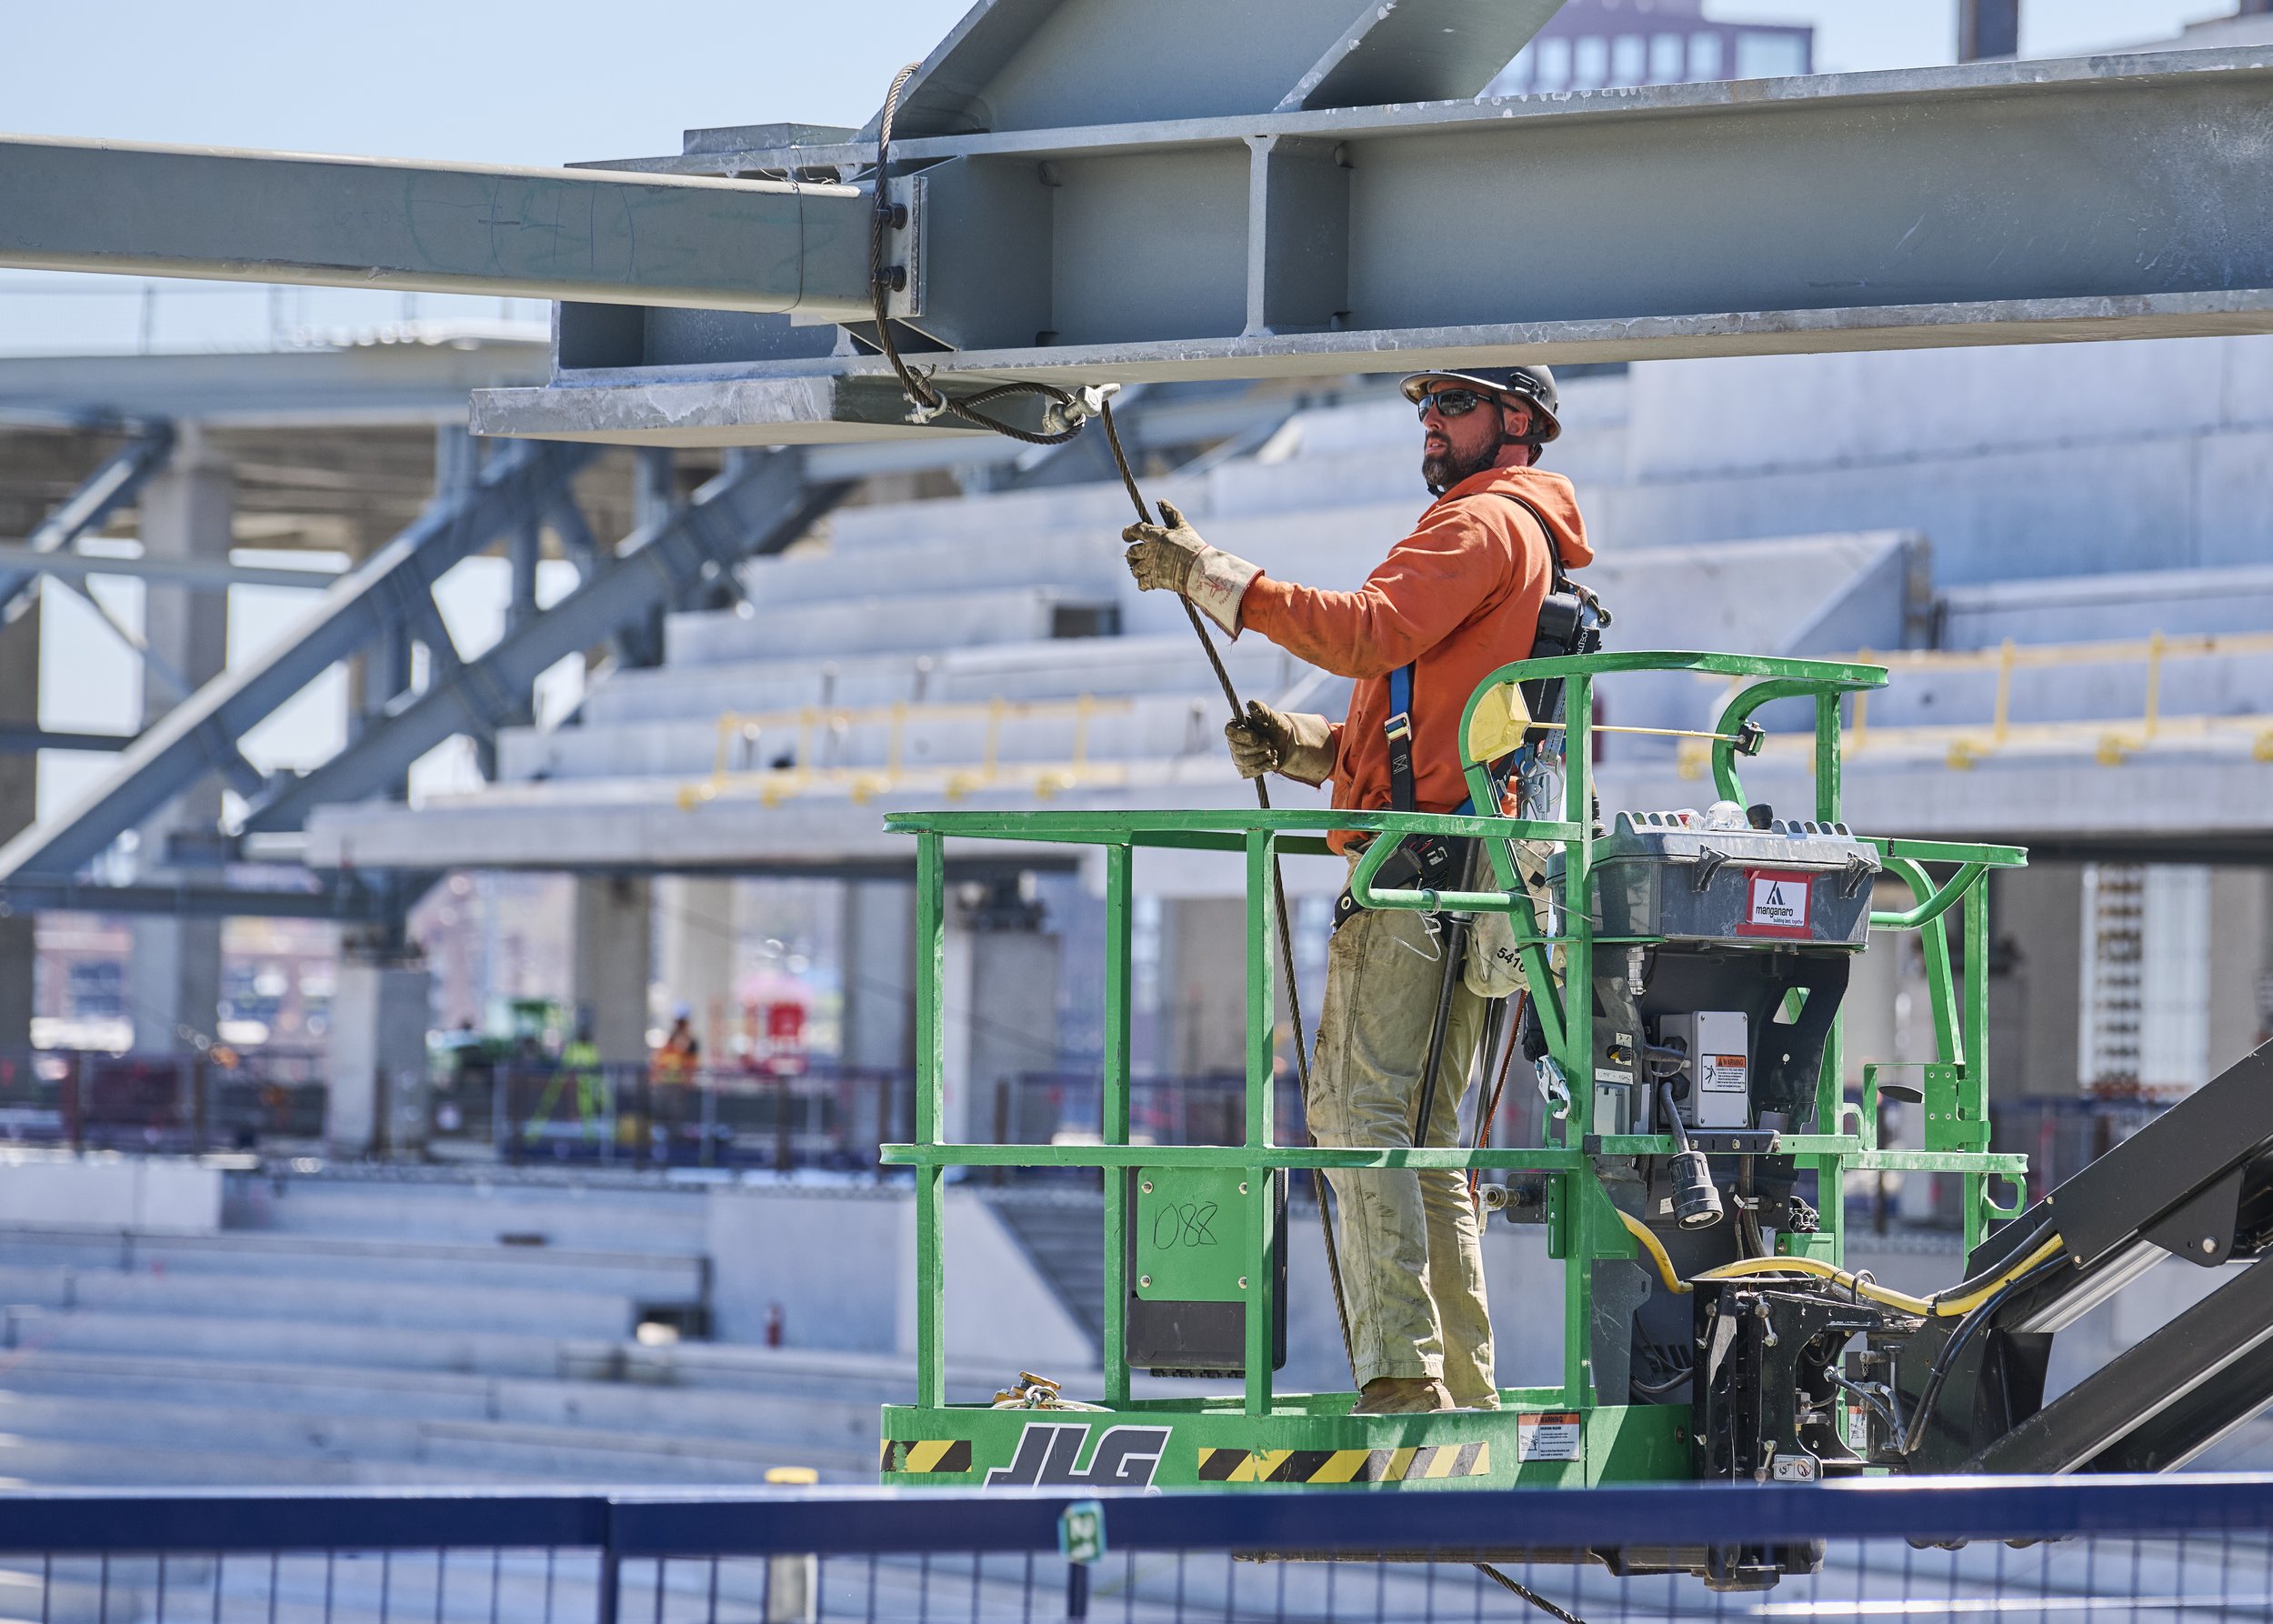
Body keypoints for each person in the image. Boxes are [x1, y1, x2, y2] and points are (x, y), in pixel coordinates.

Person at [1122, 365, 1594, 1415]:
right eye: (1423, 407)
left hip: (1418, 872)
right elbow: (1431, 736)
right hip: (1465, 864)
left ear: (1516, 423)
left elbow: (1362, 632)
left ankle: (1397, 1373)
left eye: (1453, 406)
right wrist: (1304, 748)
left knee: (1356, 1115)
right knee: (1420, 1134)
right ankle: (1451, 1380)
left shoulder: (1480, 526)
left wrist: (1212, 578)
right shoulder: (1526, 541)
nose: (1429, 424)